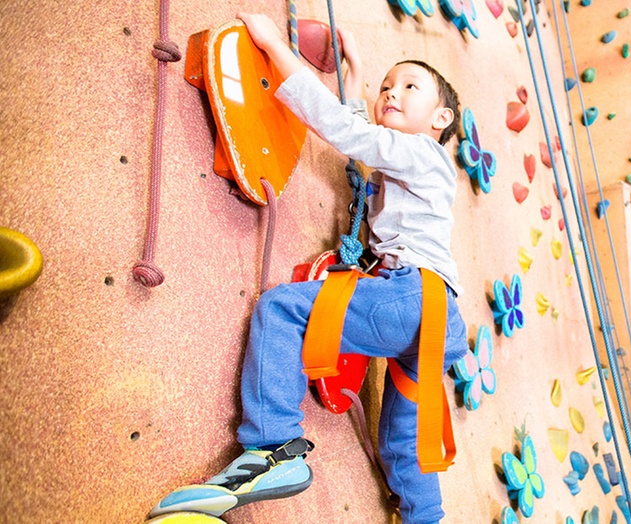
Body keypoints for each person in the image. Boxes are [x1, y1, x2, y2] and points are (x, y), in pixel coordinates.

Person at [149, 13, 467, 524]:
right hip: (437, 321)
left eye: (409, 86)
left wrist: (275, 44)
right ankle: (424, 517)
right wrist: (359, 70)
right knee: (403, 442)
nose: (392, 92)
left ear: (441, 120)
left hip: (413, 297)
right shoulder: (413, 162)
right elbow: (366, 127)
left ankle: (273, 448)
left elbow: (349, 132)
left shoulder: (424, 154)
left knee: (283, 311)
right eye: (387, 85)